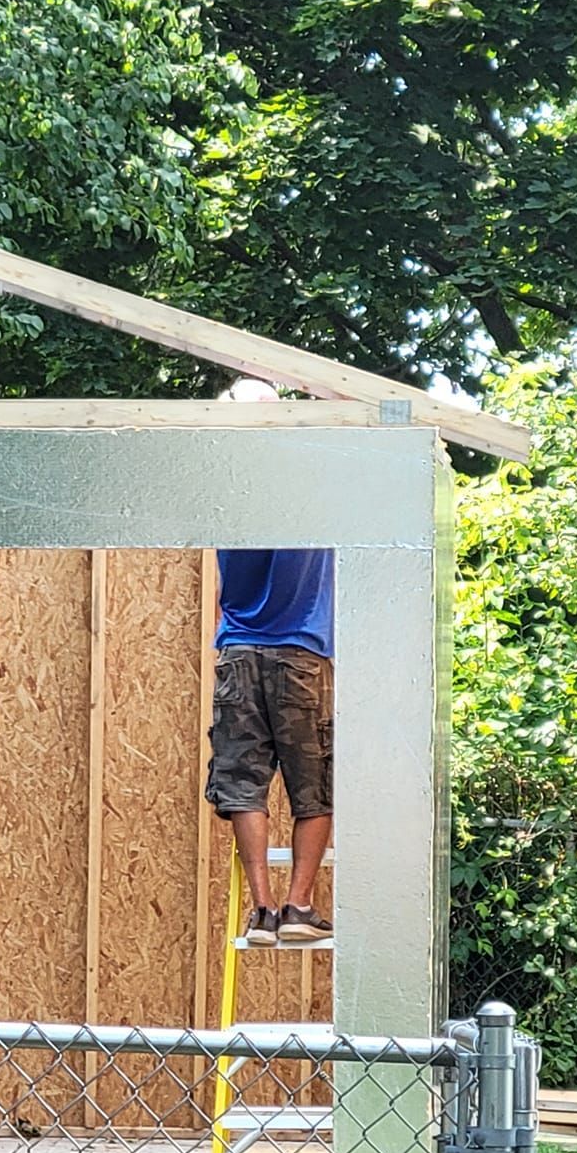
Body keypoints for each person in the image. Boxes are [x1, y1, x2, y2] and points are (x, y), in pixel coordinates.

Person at [205, 403, 334, 946]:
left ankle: (261, 913)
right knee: (316, 787)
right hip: (300, 653)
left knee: (243, 786)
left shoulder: (226, 495)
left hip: (237, 652)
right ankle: (298, 907)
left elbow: (219, 592)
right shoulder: (315, 492)